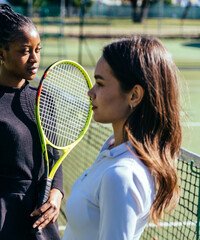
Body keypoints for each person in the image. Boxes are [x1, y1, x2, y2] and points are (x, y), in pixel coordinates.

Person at [63, 35, 182, 240]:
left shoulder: (120, 176)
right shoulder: (112, 148)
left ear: (134, 95)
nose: (91, 92)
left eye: (100, 83)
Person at [0, 4, 63, 239]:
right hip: (3, 216)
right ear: (1, 54)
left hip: (42, 215)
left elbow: (55, 156)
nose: (35, 58)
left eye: (38, 49)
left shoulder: (44, 99)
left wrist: (57, 192)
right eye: (25, 51)